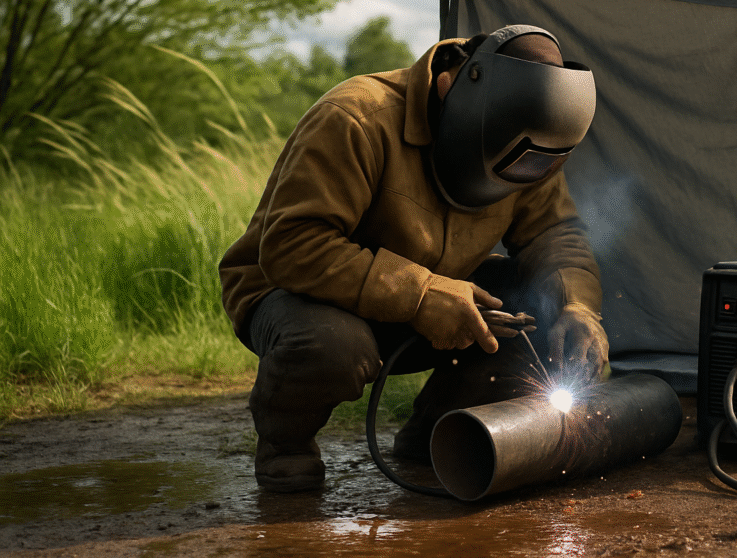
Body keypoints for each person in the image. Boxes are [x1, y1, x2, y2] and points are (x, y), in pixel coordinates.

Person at [219, 24, 608, 493]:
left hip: (431, 298)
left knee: (537, 310)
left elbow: (554, 235)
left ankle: (439, 431)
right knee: (332, 345)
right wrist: (420, 294)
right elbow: (291, 245)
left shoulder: (528, 141)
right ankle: (286, 445)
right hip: (302, 295)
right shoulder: (358, 116)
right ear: (449, 89)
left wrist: (578, 307)